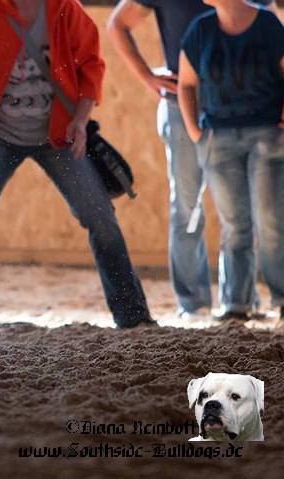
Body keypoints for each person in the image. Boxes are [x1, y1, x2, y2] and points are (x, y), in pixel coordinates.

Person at [0, 0, 155, 329]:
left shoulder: (66, 11)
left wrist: (81, 122)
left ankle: (134, 318)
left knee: (102, 219)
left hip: (59, 135)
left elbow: (91, 69)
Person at [108, 1, 218, 321]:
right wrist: (146, 76)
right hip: (181, 105)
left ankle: (240, 301)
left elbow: (266, 20)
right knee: (187, 204)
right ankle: (195, 304)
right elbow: (117, 24)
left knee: (245, 208)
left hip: (240, 105)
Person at [178, 0, 284, 320]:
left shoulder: (267, 24)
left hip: (266, 135)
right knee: (235, 224)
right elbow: (186, 84)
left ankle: (280, 299)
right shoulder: (201, 29)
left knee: (270, 222)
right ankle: (237, 304)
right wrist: (196, 133)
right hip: (218, 139)